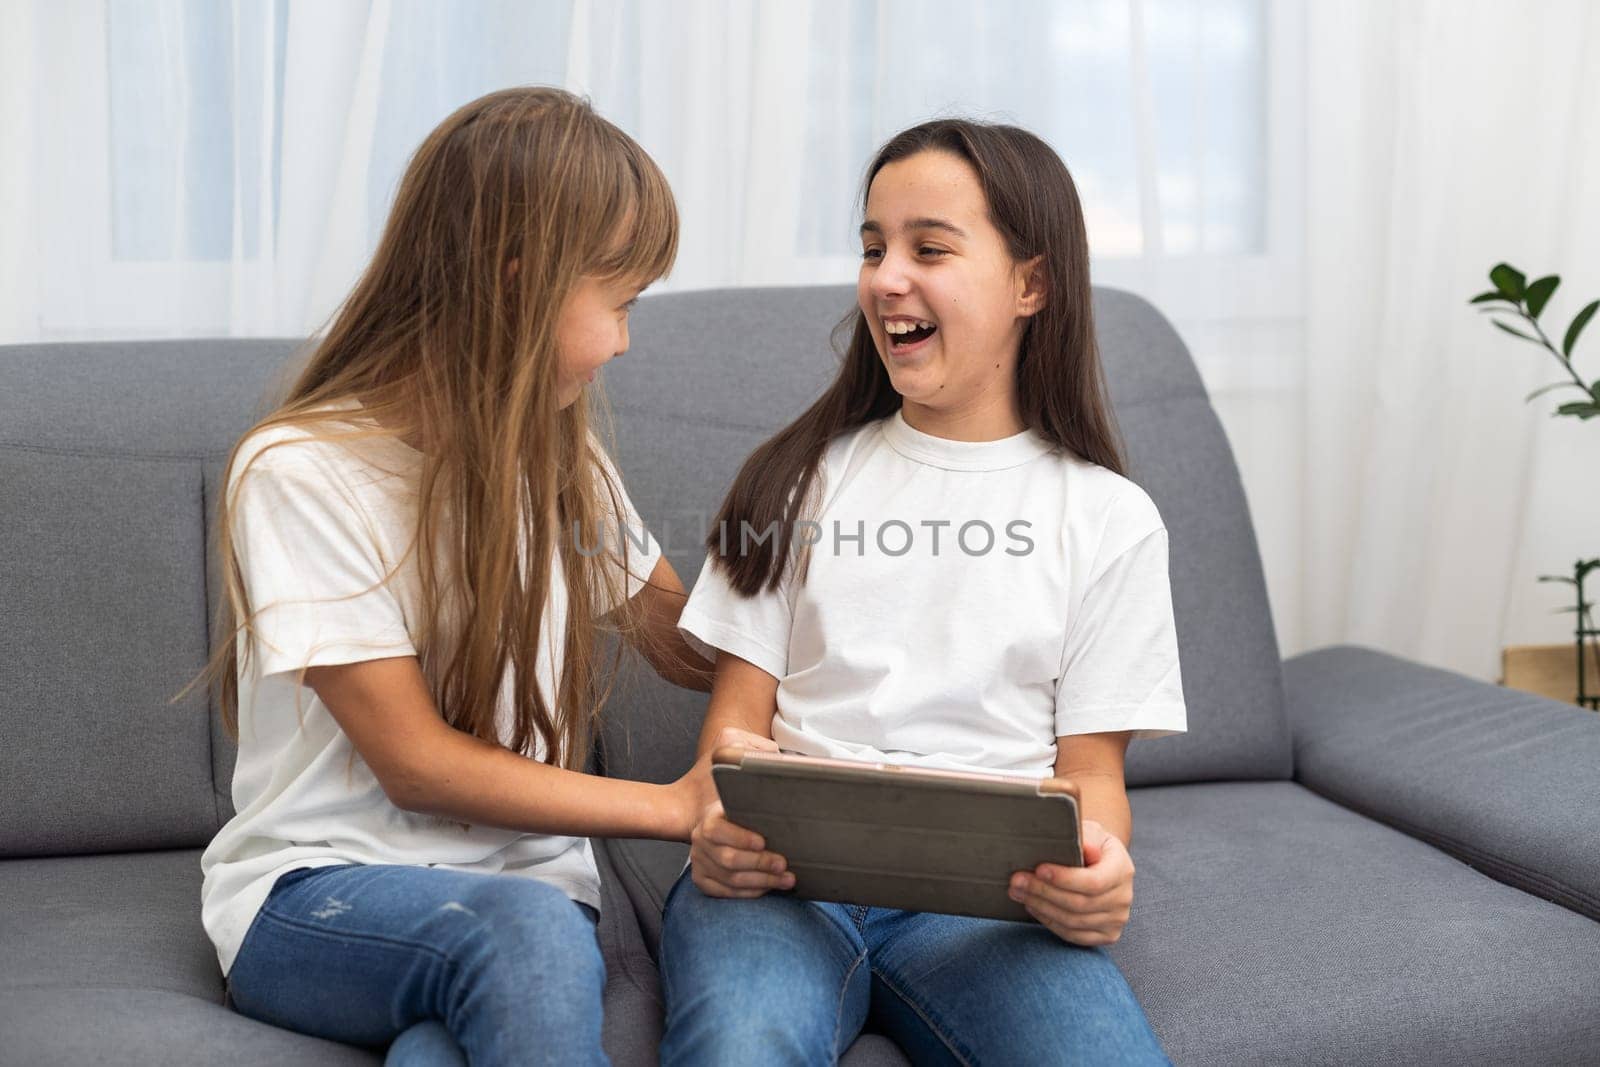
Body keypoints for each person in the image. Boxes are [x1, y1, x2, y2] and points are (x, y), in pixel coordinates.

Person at [191, 87, 720, 1066]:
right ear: (519, 285)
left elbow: (684, 641)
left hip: (533, 908)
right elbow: (417, 764)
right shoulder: (301, 469)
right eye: (621, 301)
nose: (624, 342)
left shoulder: (560, 463)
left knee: (463, 1022)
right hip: (319, 893)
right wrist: (673, 806)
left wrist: (827, 578)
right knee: (516, 933)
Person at [659, 118, 1188, 1065]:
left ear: (1032, 284)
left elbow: (1092, 775)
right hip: (781, 885)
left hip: (989, 908)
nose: (884, 278)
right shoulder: (796, 482)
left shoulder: (1111, 519)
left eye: (928, 248)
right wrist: (717, 832)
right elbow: (729, 742)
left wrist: (1097, 868)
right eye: (872, 248)